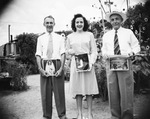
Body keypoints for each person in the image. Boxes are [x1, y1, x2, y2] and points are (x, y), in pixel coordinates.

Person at [101, 11, 140, 119]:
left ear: (121, 20)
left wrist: (132, 53)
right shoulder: (106, 35)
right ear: (110, 22)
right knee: (112, 91)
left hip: (125, 64)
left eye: (117, 19)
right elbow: (103, 49)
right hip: (111, 64)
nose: (115, 21)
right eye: (112, 20)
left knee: (126, 91)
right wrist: (105, 54)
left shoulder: (128, 33)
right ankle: (115, 116)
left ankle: (127, 116)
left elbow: (136, 46)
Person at [66, 14, 99, 119]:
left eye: (81, 22)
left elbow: (94, 50)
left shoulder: (89, 35)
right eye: (77, 22)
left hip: (88, 64)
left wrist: (91, 62)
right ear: (74, 24)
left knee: (89, 89)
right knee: (78, 89)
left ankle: (89, 114)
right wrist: (70, 52)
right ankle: (79, 114)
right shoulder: (70, 37)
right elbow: (66, 52)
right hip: (76, 65)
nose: (79, 24)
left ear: (84, 23)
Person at [35, 15, 67, 119]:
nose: (49, 24)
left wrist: (61, 68)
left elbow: (63, 53)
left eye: (51, 22)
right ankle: (46, 115)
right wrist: (40, 69)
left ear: (54, 24)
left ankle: (62, 115)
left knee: (59, 91)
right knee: (45, 92)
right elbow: (38, 54)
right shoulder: (40, 38)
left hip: (57, 63)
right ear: (44, 24)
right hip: (45, 64)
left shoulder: (60, 38)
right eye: (47, 23)